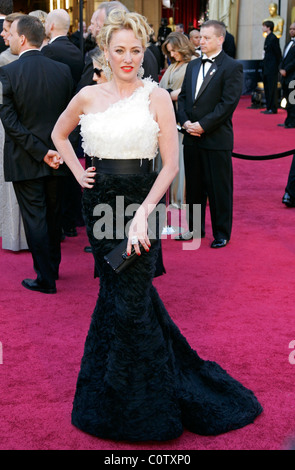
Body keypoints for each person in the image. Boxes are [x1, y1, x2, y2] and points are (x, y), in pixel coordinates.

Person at [52, 9, 262, 442]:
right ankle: (111, 400)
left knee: (131, 304)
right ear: (106, 52)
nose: (128, 58)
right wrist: (77, 171)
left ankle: (145, 406)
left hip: (140, 206)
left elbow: (169, 166)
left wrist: (144, 215)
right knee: (119, 297)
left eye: (135, 50)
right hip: (100, 206)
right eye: (119, 50)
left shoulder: (156, 97)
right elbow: (58, 135)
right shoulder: (88, 96)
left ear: (144, 51)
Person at [0, 15, 73, 294]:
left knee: (35, 219)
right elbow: (71, 118)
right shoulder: (63, 71)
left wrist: (41, 153)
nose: (6, 38)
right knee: (53, 215)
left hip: (27, 158)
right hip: (59, 156)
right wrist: (54, 151)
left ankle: (45, 278)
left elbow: (11, 124)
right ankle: (52, 268)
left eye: (10, 34)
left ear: (21, 38)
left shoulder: (7, 73)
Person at [177, 20, 244, 248]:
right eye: (199, 37)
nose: (200, 41)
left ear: (220, 39)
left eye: (205, 38)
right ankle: (194, 230)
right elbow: (184, 98)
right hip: (191, 138)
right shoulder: (193, 65)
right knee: (194, 188)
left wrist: (203, 125)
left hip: (216, 138)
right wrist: (185, 121)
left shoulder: (232, 67)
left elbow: (227, 104)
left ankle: (222, 233)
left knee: (218, 189)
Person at [42, 9, 85, 238]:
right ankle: (72, 220)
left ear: (49, 26)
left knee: (59, 171)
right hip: (77, 118)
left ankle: (60, 222)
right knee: (72, 169)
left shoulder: (49, 51)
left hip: (57, 118)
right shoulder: (77, 51)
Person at [0, 12, 27, 252]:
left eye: (7, 31)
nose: (2, 34)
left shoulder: (4, 61)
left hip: (9, 125)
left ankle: (16, 235)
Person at [160, 32, 197, 208]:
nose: (172, 54)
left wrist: (166, 95)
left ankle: (180, 199)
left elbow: (189, 91)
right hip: (168, 118)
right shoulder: (174, 65)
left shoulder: (193, 63)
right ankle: (171, 198)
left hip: (182, 119)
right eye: (169, 52)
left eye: (174, 50)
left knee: (181, 160)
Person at [261, 20, 281, 115]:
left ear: (268, 27)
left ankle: (273, 108)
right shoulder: (268, 37)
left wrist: (278, 66)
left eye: (264, 26)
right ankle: (268, 106)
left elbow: (278, 53)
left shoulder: (273, 38)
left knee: (272, 87)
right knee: (267, 87)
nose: (262, 28)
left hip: (272, 68)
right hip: (266, 67)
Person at [278, 23, 295, 129]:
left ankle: (292, 121)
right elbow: (283, 58)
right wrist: (280, 68)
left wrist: (286, 70)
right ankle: (288, 120)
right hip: (285, 77)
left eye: (294, 29)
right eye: (290, 29)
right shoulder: (288, 44)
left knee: (293, 100)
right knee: (287, 99)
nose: (291, 31)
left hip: (293, 76)